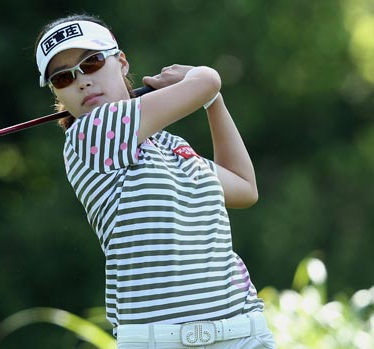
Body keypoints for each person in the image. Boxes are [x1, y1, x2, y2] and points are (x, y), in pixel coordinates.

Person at [34, 14, 276, 349]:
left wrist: (213, 102)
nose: (82, 82)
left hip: (242, 334)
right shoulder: (88, 137)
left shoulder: (169, 145)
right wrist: (200, 79)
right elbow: (208, 79)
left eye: (91, 63)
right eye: (63, 78)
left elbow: (243, 187)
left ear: (121, 63)